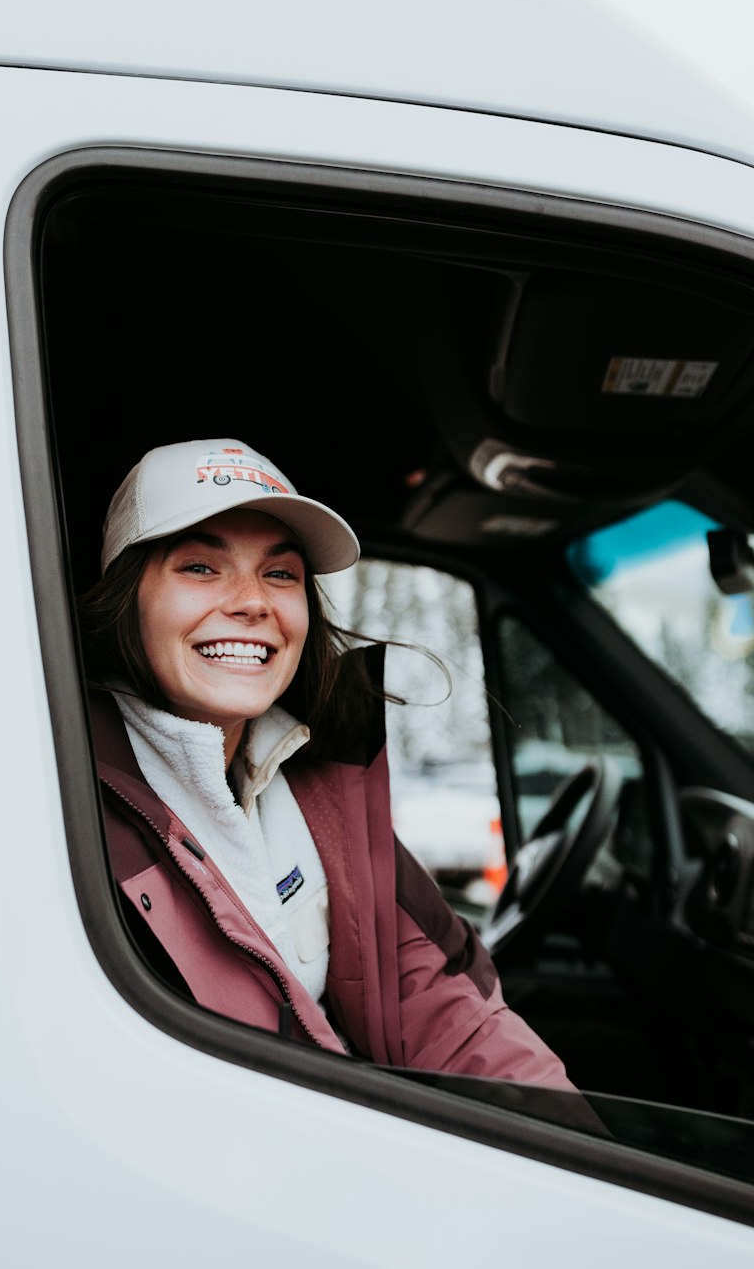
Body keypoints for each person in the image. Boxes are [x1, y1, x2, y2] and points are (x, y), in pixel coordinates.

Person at [77, 437, 573, 1087]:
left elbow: (446, 1006)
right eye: (200, 567)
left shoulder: (324, 782)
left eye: (280, 573)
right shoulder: (68, 806)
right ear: (125, 601)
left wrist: (584, 1157)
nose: (253, 601)